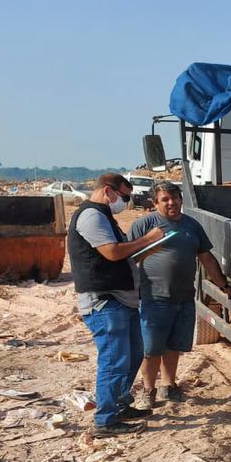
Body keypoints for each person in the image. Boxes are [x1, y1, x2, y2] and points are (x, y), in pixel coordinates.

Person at [67, 173, 166, 435]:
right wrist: (149, 239)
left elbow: (122, 253)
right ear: (108, 192)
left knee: (133, 354)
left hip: (121, 300)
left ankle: (119, 404)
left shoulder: (104, 216)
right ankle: (106, 419)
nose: (125, 202)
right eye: (123, 196)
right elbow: (111, 252)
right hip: (104, 302)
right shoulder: (91, 216)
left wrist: (146, 249)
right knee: (114, 360)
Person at [128, 182, 228, 409]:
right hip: (154, 298)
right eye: (165, 199)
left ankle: (168, 386)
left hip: (183, 297)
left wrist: (223, 285)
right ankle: (148, 391)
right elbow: (127, 257)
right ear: (155, 203)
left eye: (175, 198)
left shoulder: (192, 226)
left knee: (174, 345)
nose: (171, 202)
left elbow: (206, 258)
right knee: (152, 348)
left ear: (181, 199)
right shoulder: (144, 225)